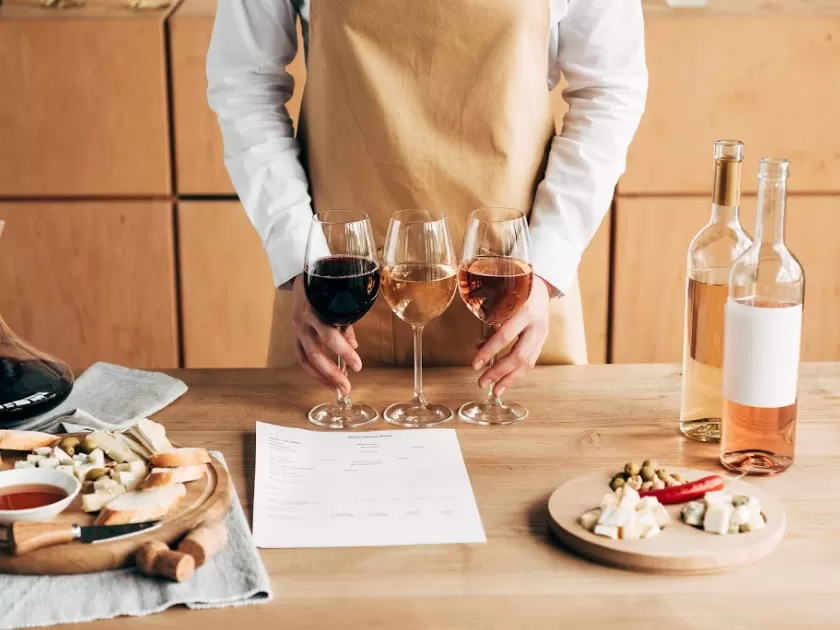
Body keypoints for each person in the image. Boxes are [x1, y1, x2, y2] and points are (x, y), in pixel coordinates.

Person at [207, 0, 647, 397]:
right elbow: (244, 83)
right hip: (338, 295)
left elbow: (608, 89)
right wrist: (294, 250)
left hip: (515, 289)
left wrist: (549, 262)